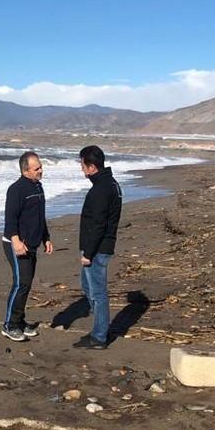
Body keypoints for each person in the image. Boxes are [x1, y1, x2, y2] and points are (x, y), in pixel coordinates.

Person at [73, 145, 122, 350]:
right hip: (99, 246)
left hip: (98, 248)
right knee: (87, 285)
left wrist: (88, 253)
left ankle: (100, 336)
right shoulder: (109, 184)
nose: (81, 168)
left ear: (92, 167)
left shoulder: (102, 189)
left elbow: (99, 225)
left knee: (98, 292)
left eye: (82, 165)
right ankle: (100, 327)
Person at [1, 151, 53, 342]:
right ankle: (9, 325)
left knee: (26, 284)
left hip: (32, 244)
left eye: (41, 167)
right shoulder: (16, 189)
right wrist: (16, 241)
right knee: (20, 283)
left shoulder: (38, 186)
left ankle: (20, 322)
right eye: (37, 168)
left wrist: (46, 238)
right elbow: (10, 219)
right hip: (16, 244)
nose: (41, 170)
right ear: (25, 170)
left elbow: (40, 216)